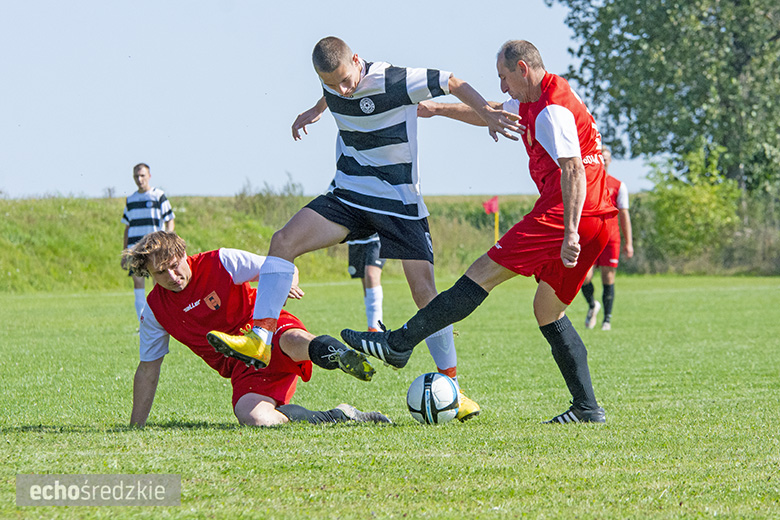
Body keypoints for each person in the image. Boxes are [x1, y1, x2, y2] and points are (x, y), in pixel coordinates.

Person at [212, 36, 521, 422]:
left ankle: (453, 390)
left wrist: (487, 113)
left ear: (357, 60)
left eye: (346, 80)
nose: (342, 90)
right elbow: (333, 90)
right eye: (331, 84)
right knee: (283, 241)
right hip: (349, 195)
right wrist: (316, 109)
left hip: (399, 202)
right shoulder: (332, 81)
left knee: (425, 294)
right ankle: (260, 338)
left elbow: (452, 81)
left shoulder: (394, 80)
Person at [341, 40, 618, 425]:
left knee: (481, 273)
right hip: (599, 217)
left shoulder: (551, 109)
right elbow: (491, 111)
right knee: (547, 309)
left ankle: (398, 343)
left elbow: (572, 169)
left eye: (504, 77)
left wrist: (570, 231)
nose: (502, 87)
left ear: (522, 69)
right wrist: (437, 109)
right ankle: (587, 407)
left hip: (568, 213)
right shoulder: (540, 96)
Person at [124, 231, 388, 428]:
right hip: (244, 366)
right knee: (253, 417)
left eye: (174, 266)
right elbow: (148, 368)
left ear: (183, 254)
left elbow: (284, 268)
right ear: (149, 274)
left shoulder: (221, 261)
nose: (172, 276)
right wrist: (136, 427)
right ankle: (337, 415)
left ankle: (339, 354)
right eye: (161, 272)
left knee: (292, 339)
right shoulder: (155, 311)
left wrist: (288, 282)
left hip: (265, 329)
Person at [580, 146, 634, 330]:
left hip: (611, 238)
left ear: (610, 161)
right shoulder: (586, 181)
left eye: (606, 157)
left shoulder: (618, 185)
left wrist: (629, 243)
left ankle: (607, 320)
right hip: (590, 237)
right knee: (584, 277)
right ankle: (592, 305)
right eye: (600, 156)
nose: (603, 160)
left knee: (608, 277)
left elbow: (624, 215)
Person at [121, 163, 175, 323]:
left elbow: (170, 219)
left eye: (142, 175)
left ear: (149, 176)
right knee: (138, 284)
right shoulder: (131, 200)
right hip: (135, 250)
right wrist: (124, 253)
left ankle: (161, 322)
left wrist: (167, 242)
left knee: (158, 284)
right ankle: (143, 324)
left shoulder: (158, 196)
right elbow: (127, 227)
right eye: (136, 176)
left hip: (155, 249)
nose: (139, 179)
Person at [347, 234, 386, 332]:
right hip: (355, 239)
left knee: (371, 276)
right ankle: (372, 327)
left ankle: (376, 329)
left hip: (376, 237)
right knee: (366, 285)